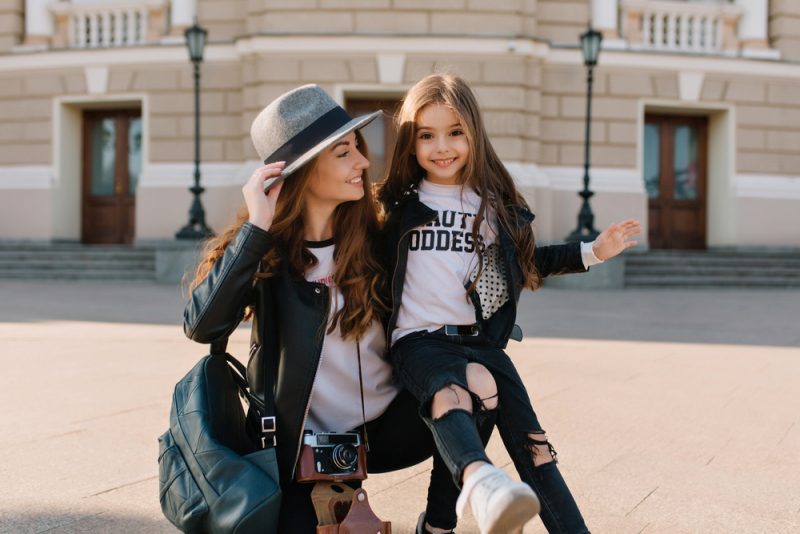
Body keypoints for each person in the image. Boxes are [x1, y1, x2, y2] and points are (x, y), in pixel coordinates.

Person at [183, 84, 472, 534]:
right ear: (299, 173)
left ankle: (437, 526)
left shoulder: (379, 242)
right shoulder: (266, 253)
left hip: (381, 432)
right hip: (295, 448)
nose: (362, 161)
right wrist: (257, 226)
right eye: (343, 152)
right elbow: (202, 326)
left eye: (357, 147)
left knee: (478, 381)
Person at [377, 73, 641, 534]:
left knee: (535, 445)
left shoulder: (492, 207)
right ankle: (472, 500)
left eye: (455, 132)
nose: (443, 146)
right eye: (427, 135)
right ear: (411, 142)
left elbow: (526, 261)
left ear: (474, 134)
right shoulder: (398, 207)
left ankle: (441, 527)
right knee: (453, 395)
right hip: (419, 342)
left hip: (481, 343)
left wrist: (594, 251)